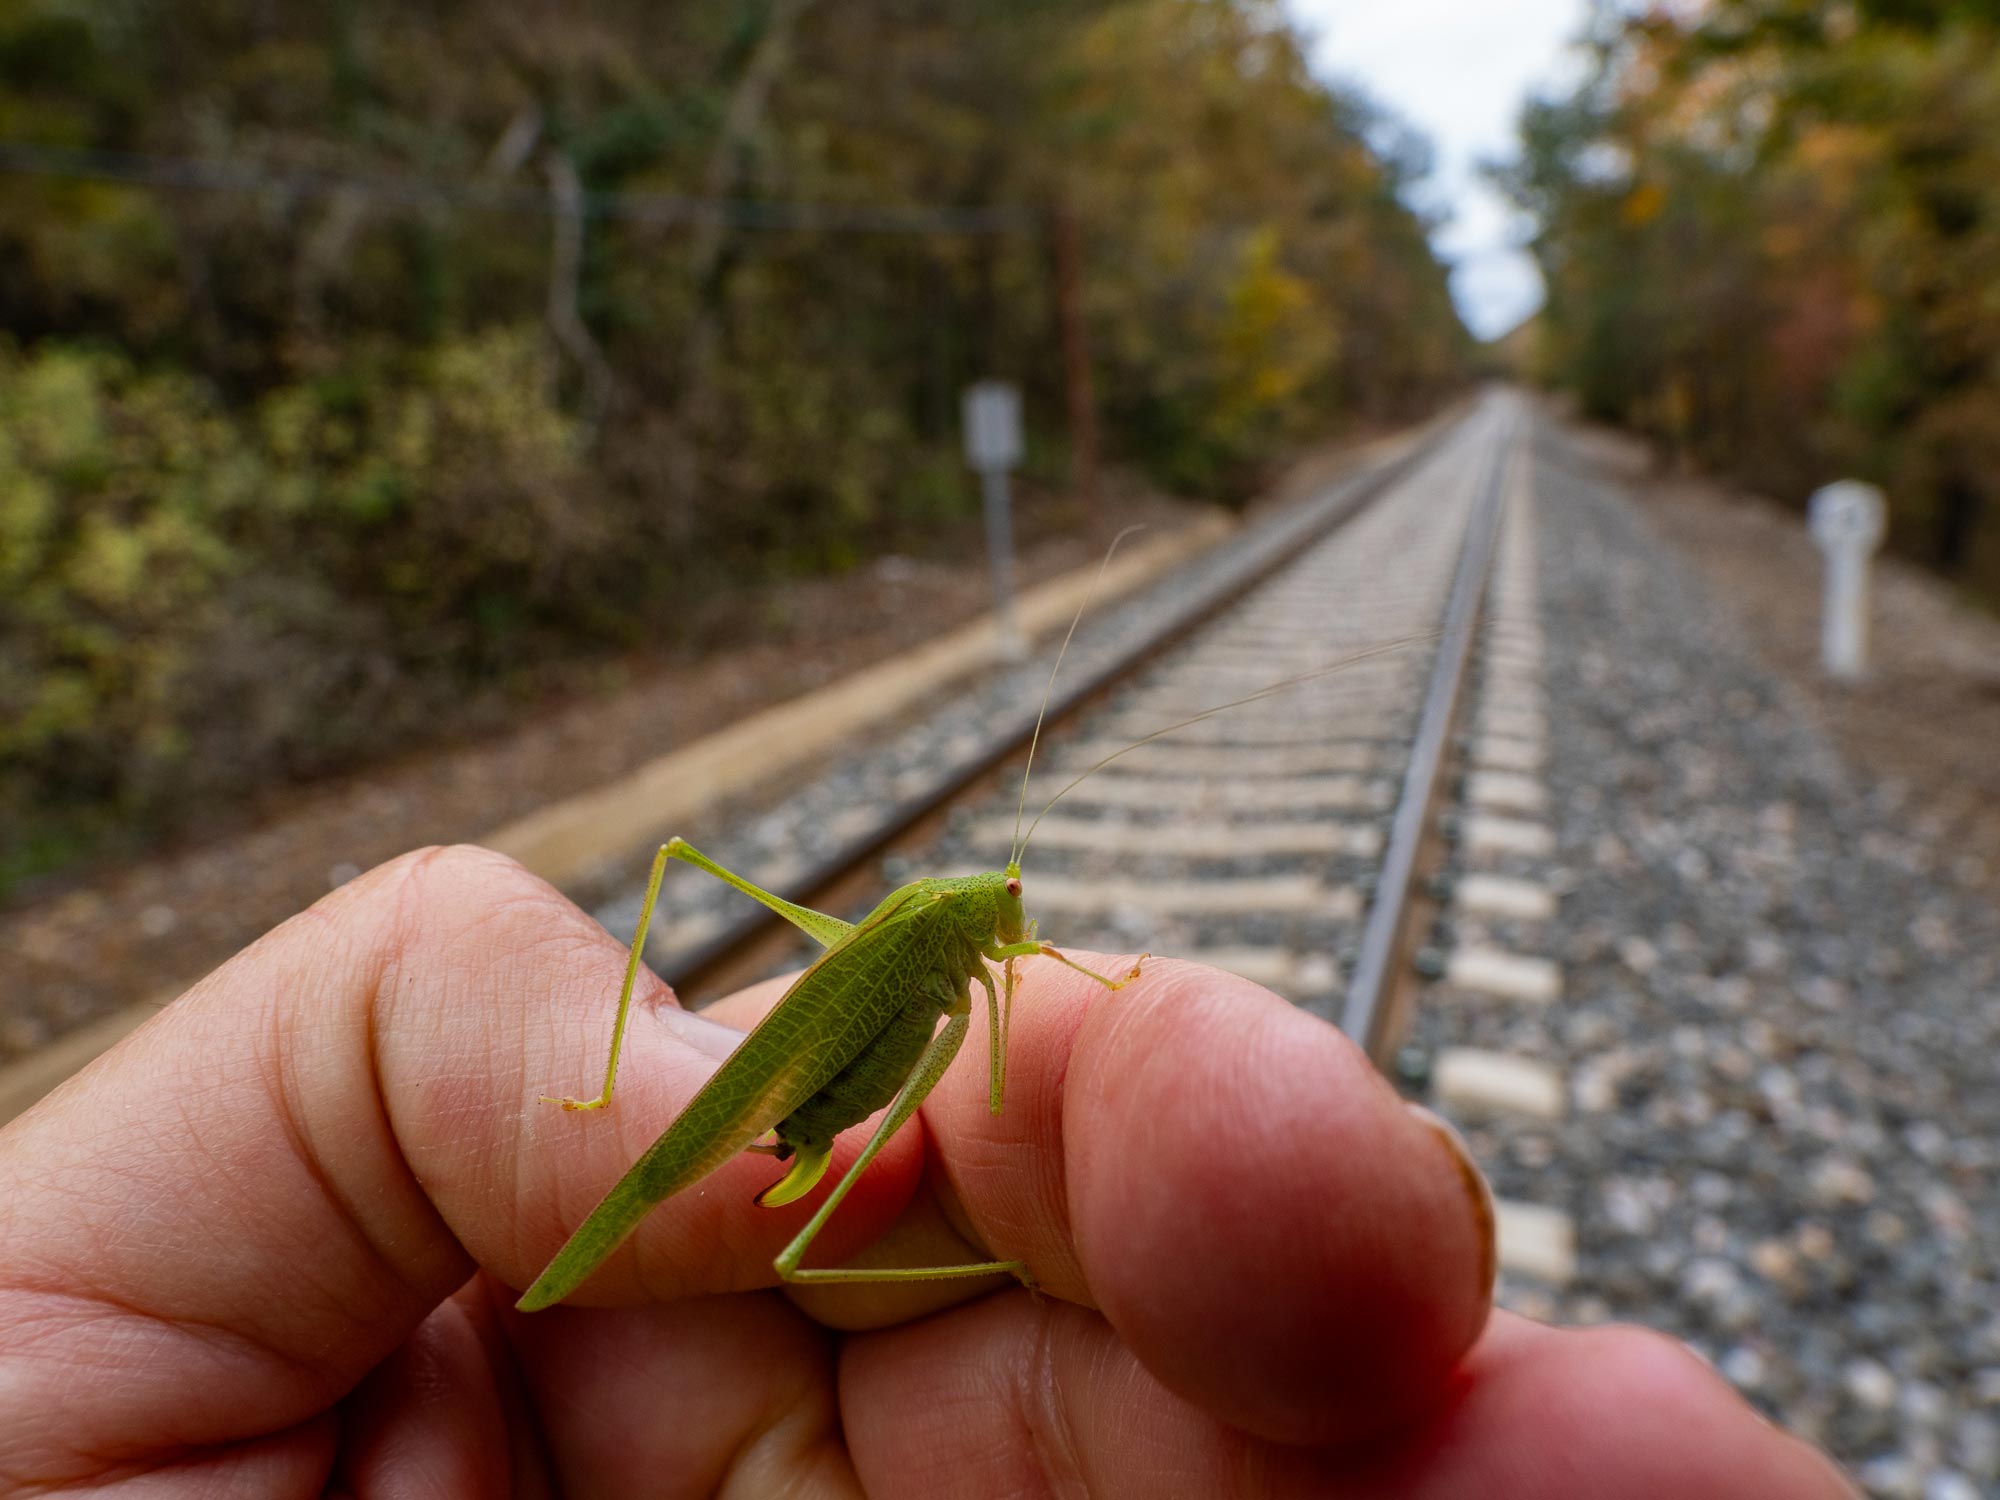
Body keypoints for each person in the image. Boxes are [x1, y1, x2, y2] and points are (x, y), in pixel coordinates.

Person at [0, 845, 1853, 1497]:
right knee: (772, 1036)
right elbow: (976, 1010)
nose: (1025, 926)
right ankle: (609, 1123)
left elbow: (997, 1005)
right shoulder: (951, 949)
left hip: (860, 1076)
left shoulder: (980, 950)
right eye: (1015, 915)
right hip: (827, 1062)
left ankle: (688, 1178)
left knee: (947, 1172)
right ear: (989, 918)